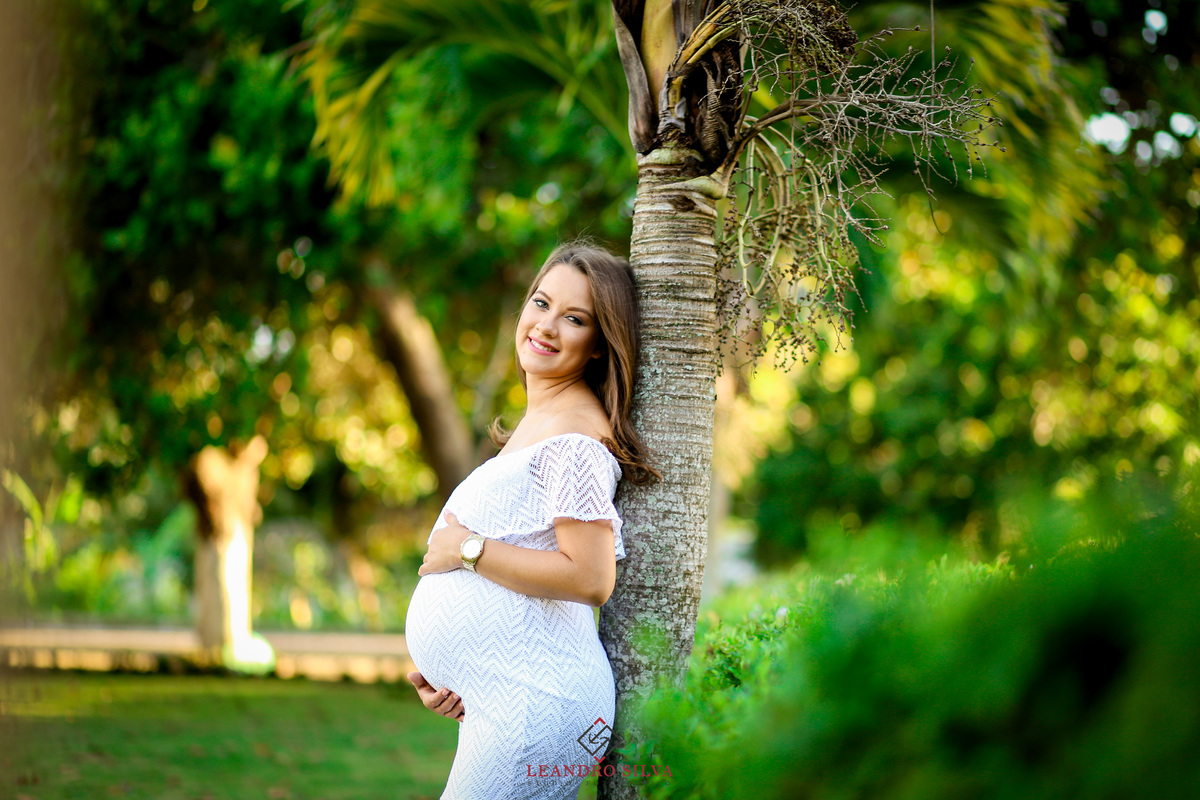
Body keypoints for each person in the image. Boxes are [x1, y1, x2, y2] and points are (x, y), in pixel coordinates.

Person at [403, 241, 659, 799]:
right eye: (541, 304)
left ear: (599, 345)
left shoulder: (575, 443)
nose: (546, 326)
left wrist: (467, 549)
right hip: (511, 699)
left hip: (538, 705)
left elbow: (591, 579)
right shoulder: (543, 425)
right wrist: (450, 675)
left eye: (574, 319)